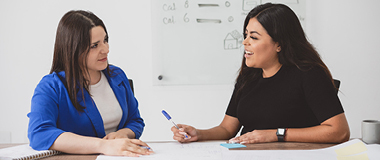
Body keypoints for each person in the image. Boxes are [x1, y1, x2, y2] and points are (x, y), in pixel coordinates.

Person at [171, 3, 350, 144]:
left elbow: (339, 131)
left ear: (279, 44)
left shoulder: (309, 74)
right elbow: (227, 129)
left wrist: (276, 135)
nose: (244, 42)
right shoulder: (248, 77)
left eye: (254, 37)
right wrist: (198, 134)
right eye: (246, 35)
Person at [27, 10, 152, 157]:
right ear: (73, 49)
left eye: (105, 40)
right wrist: (104, 145)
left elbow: (135, 120)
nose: (106, 49)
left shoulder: (117, 76)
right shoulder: (51, 86)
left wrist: (122, 134)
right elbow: (39, 133)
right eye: (95, 45)